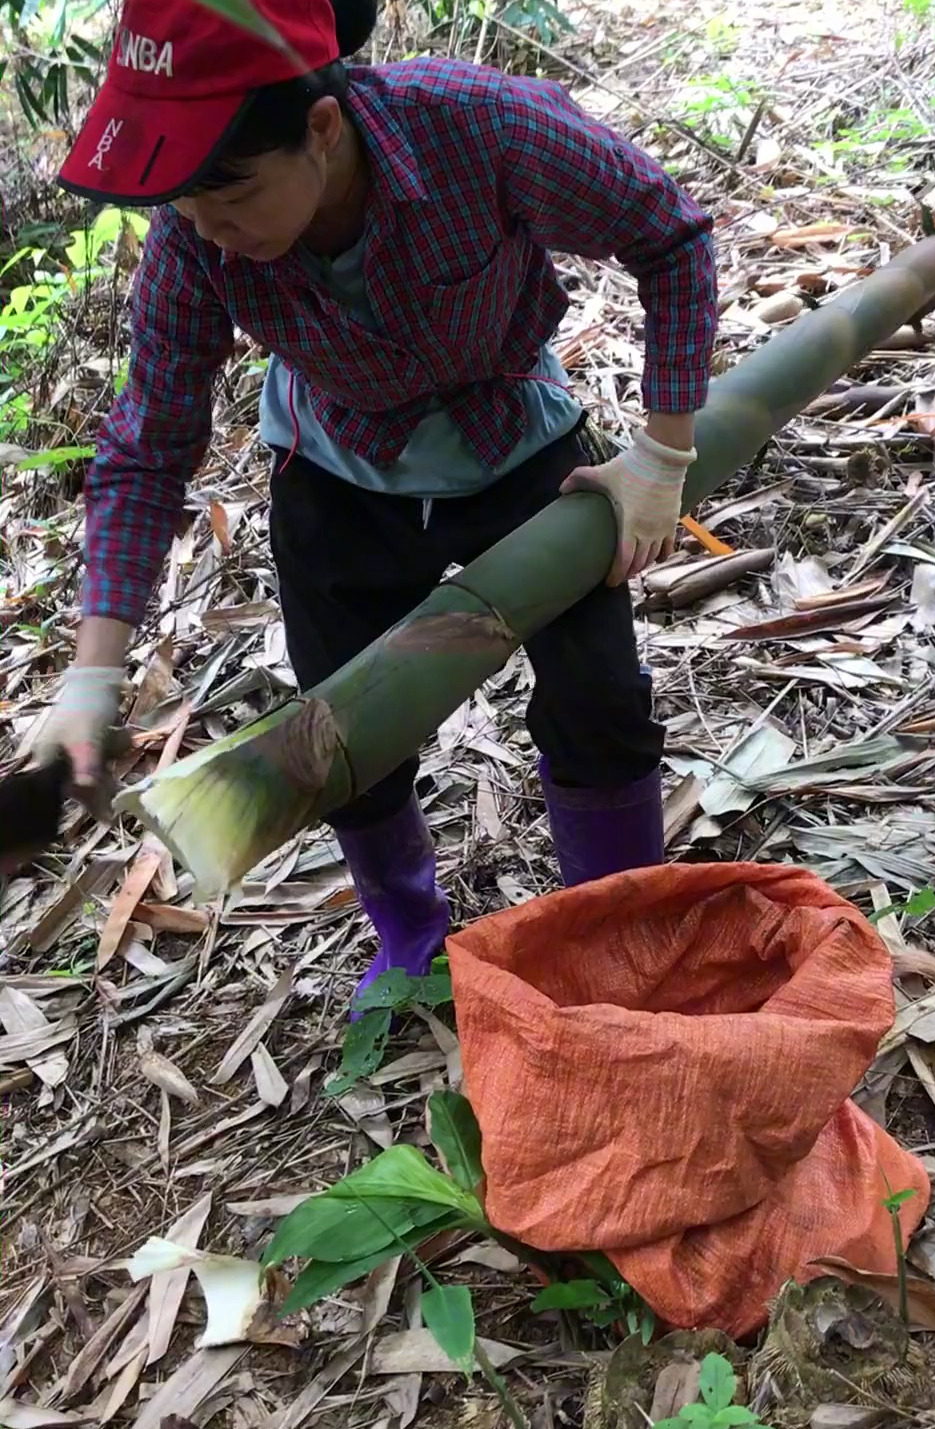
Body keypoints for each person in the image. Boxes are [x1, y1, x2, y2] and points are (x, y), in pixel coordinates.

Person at [40, 0, 718, 1009]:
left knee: (601, 702)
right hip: (338, 473)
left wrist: (661, 454)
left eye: (227, 192)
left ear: (321, 128)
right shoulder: (198, 240)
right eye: (180, 203)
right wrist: (94, 676)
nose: (203, 226)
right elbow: (149, 442)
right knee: (348, 737)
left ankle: (615, 922)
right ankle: (409, 938)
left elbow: (668, 237)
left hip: (519, 449)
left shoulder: (486, 127)